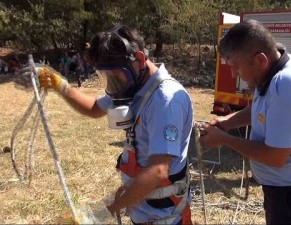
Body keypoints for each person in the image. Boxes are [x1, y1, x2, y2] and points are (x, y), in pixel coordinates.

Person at [36, 25, 193, 224]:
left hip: (166, 217)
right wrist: (61, 86)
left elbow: (158, 171)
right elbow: (94, 108)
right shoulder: (132, 86)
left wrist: (104, 211)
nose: (112, 83)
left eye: (115, 75)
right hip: (145, 211)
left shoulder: (165, 100)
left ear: (140, 59)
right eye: (105, 76)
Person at [200, 20, 291, 224]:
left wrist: (225, 139)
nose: (234, 74)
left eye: (236, 67)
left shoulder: (287, 84)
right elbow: (259, 108)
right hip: (284, 191)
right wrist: (226, 122)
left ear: (261, 59)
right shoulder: (272, 72)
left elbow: (276, 156)